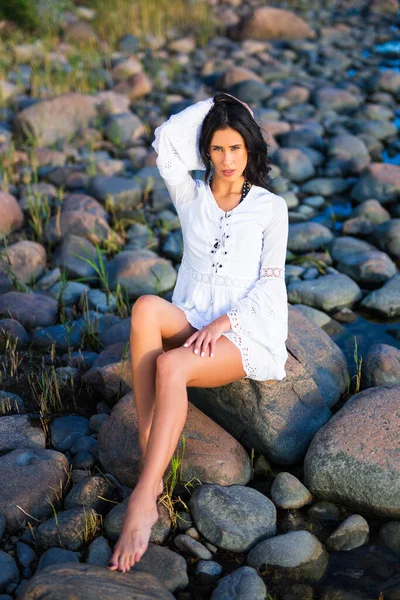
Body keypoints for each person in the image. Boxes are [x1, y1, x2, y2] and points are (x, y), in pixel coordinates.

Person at [108, 93, 289, 573]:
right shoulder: (191, 195)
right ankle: (154, 464)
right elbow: (165, 141)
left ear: (251, 149)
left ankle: (143, 498)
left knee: (170, 364)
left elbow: (271, 283)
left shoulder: (271, 208)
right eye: (217, 149)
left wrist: (224, 323)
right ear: (206, 151)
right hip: (192, 312)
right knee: (146, 306)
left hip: (242, 330)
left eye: (237, 148)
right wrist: (222, 102)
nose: (228, 161)